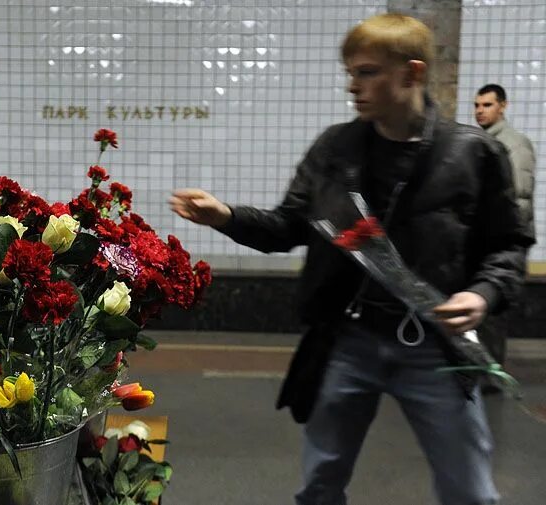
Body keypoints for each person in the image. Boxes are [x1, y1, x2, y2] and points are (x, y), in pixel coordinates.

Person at [170, 14, 533, 505]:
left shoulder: (472, 153)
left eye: (367, 72)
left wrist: (481, 294)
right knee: (320, 482)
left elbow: (508, 244)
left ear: (411, 74)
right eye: (351, 73)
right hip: (349, 341)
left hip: (433, 350)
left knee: (469, 489)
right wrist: (226, 216)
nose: (353, 86)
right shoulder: (336, 148)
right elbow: (289, 225)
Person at [473, 84, 537, 372]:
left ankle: (490, 376)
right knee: (484, 312)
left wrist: (506, 243)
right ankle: (483, 370)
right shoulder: (483, 142)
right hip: (487, 239)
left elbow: (520, 198)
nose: (480, 111)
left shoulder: (513, 143)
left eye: (487, 105)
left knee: (493, 311)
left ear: (503, 106)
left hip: (501, 242)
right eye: (477, 105)